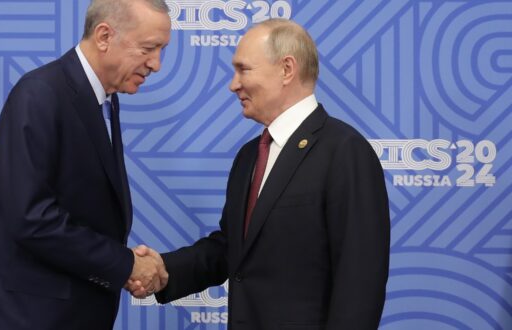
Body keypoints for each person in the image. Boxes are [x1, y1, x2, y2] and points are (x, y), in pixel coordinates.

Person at [134, 19, 391, 329]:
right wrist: (163, 270)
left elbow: (360, 282)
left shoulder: (345, 152)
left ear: (286, 69)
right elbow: (231, 249)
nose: (233, 84)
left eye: (244, 69)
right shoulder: (249, 156)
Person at [0, 0, 170, 329]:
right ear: (103, 36)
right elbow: (30, 218)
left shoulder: (104, 101)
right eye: (148, 49)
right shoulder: (40, 95)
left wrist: (123, 265)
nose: (156, 64)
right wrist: (124, 264)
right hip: (24, 317)